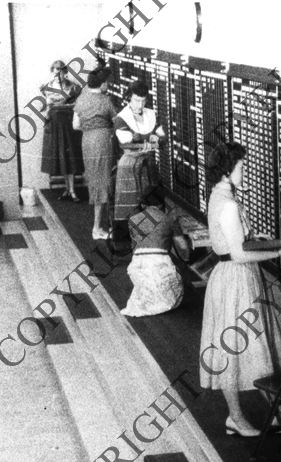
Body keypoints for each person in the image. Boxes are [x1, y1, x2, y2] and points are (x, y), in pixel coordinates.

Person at [199, 142, 281, 437]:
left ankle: (274, 412)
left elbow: (237, 243)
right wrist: (278, 253)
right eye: (242, 166)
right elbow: (240, 254)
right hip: (236, 279)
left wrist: (260, 238)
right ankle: (237, 418)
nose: (246, 171)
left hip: (234, 277)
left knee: (256, 344)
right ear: (227, 170)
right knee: (240, 348)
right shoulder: (228, 204)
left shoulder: (220, 195)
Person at [112, 80, 165, 245]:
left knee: (154, 201)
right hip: (129, 165)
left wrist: (159, 138)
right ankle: (126, 244)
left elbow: (162, 137)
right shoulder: (121, 118)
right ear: (129, 98)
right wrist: (149, 140)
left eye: (143, 101)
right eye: (136, 100)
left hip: (149, 165)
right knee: (129, 204)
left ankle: (153, 238)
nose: (140, 105)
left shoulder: (151, 113)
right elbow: (126, 142)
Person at [121, 186, 183, 317]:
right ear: (162, 203)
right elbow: (182, 246)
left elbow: (134, 247)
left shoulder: (133, 220)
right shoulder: (170, 219)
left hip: (137, 265)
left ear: (143, 204)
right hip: (160, 265)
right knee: (176, 293)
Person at [73, 66, 118, 240]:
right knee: (103, 181)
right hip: (102, 141)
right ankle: (97, 228)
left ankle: (100, 226)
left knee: (96, 180)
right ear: (103, 83)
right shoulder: (105, 101)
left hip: (87, 141)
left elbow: (75, 125)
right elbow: (117, 123)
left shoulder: (81, 99)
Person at [40, 60, 82, 202]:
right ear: (52, 72)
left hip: (69, 125)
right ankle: (67, 188)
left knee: (70, 158)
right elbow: (44, 110)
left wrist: (63, 106)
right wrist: (47, 106)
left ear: (65, 73)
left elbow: (78, 106)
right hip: (54, 125)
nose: (58, 74)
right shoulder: (46, 88)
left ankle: (72, 190)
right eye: (55, 71)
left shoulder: (74, 87)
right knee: (61, 158)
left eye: (61, 71)